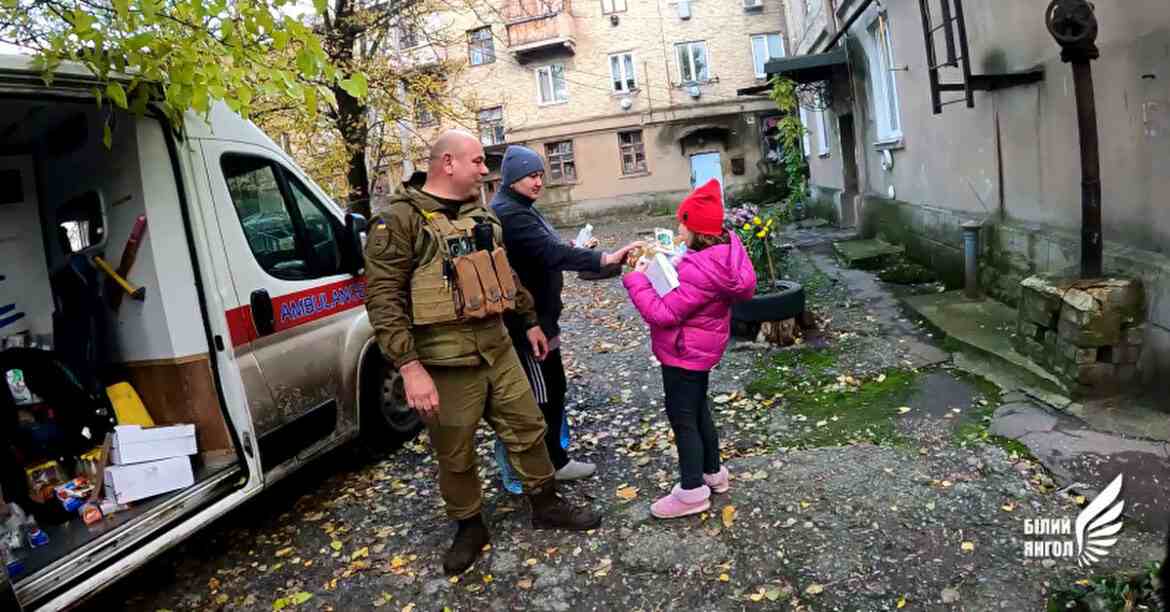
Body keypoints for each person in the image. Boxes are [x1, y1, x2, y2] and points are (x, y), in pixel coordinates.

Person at [364, 130, 601, 576]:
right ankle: (469, 526)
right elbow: (383, 300)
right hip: (444, 361)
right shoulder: (398, 222)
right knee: (455, 452)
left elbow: (505, 275)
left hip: (498, 347)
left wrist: (529, 321)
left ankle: (546, 503)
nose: (484, 170)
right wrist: (410, 368)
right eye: (476, 162)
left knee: (530, 428)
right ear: (447, 163)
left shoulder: (482, 216)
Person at [490, 145, 642, 491]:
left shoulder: (522, 208)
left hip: (543, 318)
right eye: (532, 175)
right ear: (513, 177)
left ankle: (551, 459)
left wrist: (575, 247)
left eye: (541, 174)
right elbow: (549, 252)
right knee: (541, 393)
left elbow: (544, 250)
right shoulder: (509, 213)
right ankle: (543, 467)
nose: (539, 181)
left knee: (554, 386)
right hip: (527, 324)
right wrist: (603, 259)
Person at [621, 179, 757, 519]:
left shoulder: (699, 268)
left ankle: (692, 491)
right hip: (701, 348)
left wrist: (637, 279)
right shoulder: (721, 252)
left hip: (684, 351)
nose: (678, 228)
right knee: (698, 410)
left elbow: (663, 313)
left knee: (683, 417)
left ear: (695, 228)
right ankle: (713, 473)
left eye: (682, 222)